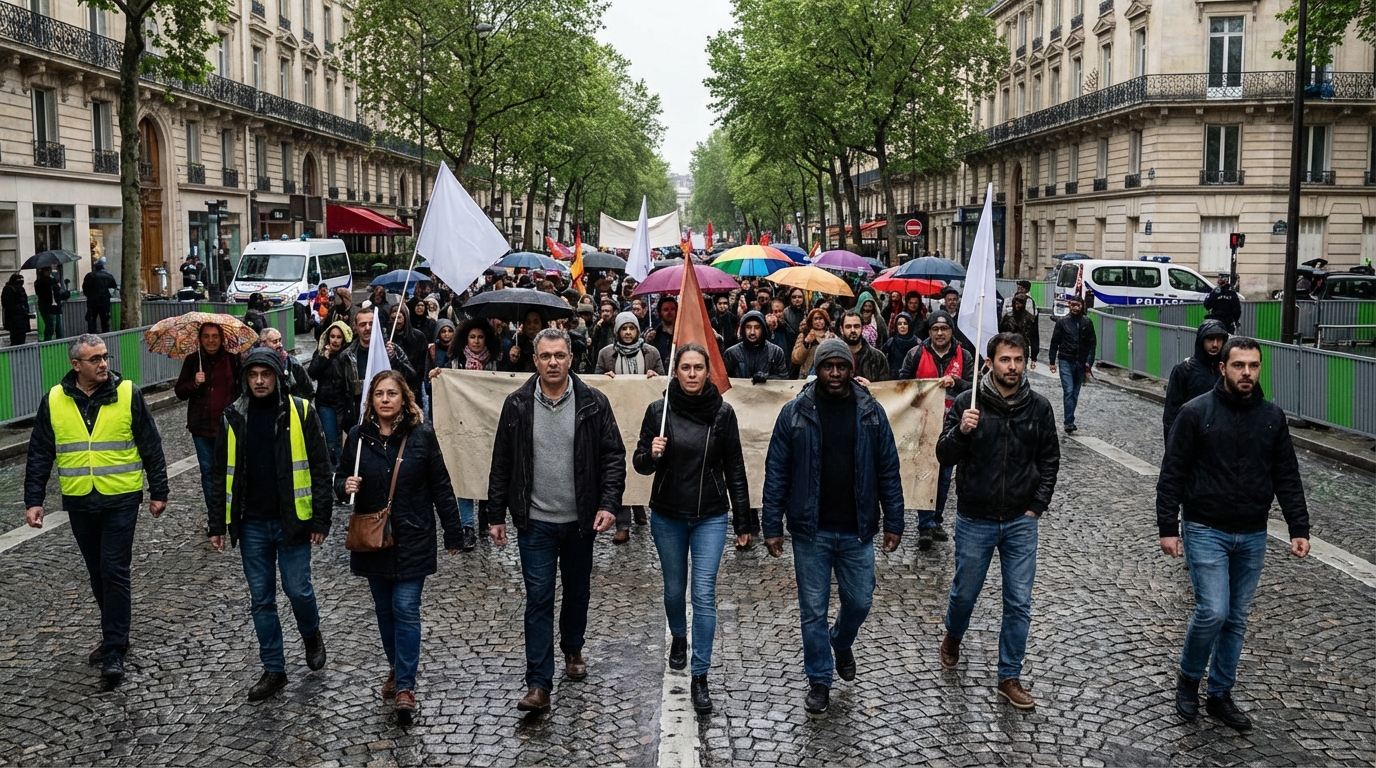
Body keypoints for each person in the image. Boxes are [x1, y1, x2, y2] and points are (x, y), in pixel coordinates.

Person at [1155, 337, 1309, 731]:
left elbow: (1286, 474)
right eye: (1238, 365)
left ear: (1260, 369)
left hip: (1253, 532)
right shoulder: (1195, 413)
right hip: (1206, 527)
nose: (1246, 373)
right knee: (1213, 611)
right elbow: (1173, 472)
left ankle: (1221, 693)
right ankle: (1189, 680)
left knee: (1236, 618)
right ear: (1222, 368)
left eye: (1253, 366)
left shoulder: (1272, 417)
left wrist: (1298, 526)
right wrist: (1168, 527)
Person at [761, 338, 904, 715]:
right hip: (811, 531)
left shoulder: (871, 412)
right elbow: (777, 471)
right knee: (812, 610)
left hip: (858, 529)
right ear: (818, 369)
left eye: (842, 366)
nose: (835, 374)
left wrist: (895, 520)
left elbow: (888, 468)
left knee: (860, 601)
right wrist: (771, 524)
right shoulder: (795, 413)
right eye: (828, 366)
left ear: (851, 369)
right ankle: (819, 681)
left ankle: (840, 641)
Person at [487, 328, 625, 714]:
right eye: (545, 356)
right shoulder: (516, 404)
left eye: (559, 356)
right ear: (535, 359)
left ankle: (573, 647)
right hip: (535, 521)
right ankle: (539, 683)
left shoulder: (593, 403)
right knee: (539, 598)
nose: (552, 362)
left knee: (577, 590)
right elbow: (502, 462)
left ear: (570, 358)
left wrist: (609, 503)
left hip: (581, 520)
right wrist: (495, 514)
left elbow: (613, 456)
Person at [24, 334, 168, 689]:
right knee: (96, 572)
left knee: (113, 571)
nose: (104, 364)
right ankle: (114, 632)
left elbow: (151, 443)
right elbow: (41, 451)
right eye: (95, 359)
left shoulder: (127, 393)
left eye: (105, 357)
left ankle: (114, 648)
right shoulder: (54, 400)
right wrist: (34, 499)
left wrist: (159, 490)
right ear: (76, 365)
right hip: (80, 500)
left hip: (121, 498)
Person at [936, 332, 1060, 710]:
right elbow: (943, 455)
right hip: (976, 518)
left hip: (1021, 520)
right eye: (1005, 359)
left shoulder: (1038, 407)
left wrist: (1037, 505)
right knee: (965, 593)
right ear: (989, 363)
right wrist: (961, 430)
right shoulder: (965, 403)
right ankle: (954, 635)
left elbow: (1050, 459)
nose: (1012, 367)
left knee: (1019, 601)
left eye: (1018, 360)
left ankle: (1009, 676)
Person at [632, 344, 754, 715]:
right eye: (685, 367)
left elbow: (735, 466)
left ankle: (700, 675)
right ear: (676, 371)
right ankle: (679, 638)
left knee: (703, 594)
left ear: (707, 372)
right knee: (673, 590)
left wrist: (744, 520)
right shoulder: (659, 410)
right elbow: (639, 465)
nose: (691, 374)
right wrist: (652, 453)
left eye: (698, 367)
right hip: (668, 514)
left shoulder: (722, 413)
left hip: (710, 516)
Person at [339, 370, 464, 724]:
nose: (385, 399)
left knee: (405, 607)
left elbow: (441, 485)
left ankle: (406, 686)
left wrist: (454, 531)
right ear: (371, 401)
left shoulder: (421, 436)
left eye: (392, 393)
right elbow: (338, 478)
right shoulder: (358, 438)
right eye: (379, 394)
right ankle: (396, 666)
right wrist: (343, 485)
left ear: (404, 398)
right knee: (384, 610)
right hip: (373, 539)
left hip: (413, 536)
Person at [209, 348, 333, 702]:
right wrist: (218, 523)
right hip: (251, 524)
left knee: (298, 590)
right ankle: (274, 669)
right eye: (253, 375)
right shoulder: (233, 416)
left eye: (266, 374)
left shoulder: (301, 411)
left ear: (279, 376)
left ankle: (311, 635)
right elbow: (221, 474)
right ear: (246, 379)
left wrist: (321, 518)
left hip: (292, 521)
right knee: (261, 600)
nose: (259, 380)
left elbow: (321, 468)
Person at [899, 310, 973, 549]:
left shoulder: (965, 356)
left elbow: (974, 389)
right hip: (923, 424)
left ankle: (936, 519)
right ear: (929, 332)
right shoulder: (916, 353)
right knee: (925, 474)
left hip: (952, 425)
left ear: (951, 331)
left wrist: (957, 382)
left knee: (943, 476)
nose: (940, 334)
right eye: (935, 329)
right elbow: (903, 385)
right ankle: (926, 524)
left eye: (944, 329)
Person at [175, 322, 242, 515]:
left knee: (230, 470)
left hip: (228, 425)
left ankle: (232, 510)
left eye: (215, 336)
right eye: (206, 336)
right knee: (208, 471)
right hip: (202, 427)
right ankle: (215, 515)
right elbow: (180, 391)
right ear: (200, 339)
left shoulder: (232, 359)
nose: (211, 340)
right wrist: (194, 383)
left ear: (221, 338)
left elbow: (241, 390)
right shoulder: (192, 361)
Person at [1162, 320, 1229, 444]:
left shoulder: (1228, 370)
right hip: (1192, 438)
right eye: (1210, 339)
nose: (1215, 344)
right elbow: (1171, 413)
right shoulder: (1183, 370)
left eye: (1219, 340)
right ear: (1201, 341)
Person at [308, 320, 359, 468]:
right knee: (331, 440)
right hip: (326, 403)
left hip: (345, 403)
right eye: (332, 336)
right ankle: (334, 470)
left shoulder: (348, 355)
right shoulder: (321, 352)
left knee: (345, 438)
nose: (335, 340)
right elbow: (312, 373)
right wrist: (324, 357)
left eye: (338, 337)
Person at [1048, 295, 1097, 434]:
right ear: (1070, 305)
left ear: (1082, 306)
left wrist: (1089, 362)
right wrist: (1052, 361)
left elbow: (1092, 343)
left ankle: (1069, 418)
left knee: (1074, 393)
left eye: (1078, 305)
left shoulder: (1087, 322)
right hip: (1065, 360)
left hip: (1081, 362)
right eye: (1073, 305)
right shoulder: (1062, 322)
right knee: (1069, 390)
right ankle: (1069, 421)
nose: (1075, 308)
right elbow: (1054, 341)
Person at [723, 310, 789, 381]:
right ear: (743, 329)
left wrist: (767, 378)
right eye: (748, 327)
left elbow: (783, 380)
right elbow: (724, 382)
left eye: (757, 327)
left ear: (763, 329)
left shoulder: (776, 352)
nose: (752, 332)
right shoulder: (731, 353)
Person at [596, 311, 664, 378]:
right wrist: (604, 378)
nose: (628, 332)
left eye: (632, 328)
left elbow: (663, 382)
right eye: (624, 328)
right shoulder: (605, 354)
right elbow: (596, 382)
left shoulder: (652, 353)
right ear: (617, 331)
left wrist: (656, 377)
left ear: (637, 330)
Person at [258, 327, 313, 399]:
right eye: (275, 342)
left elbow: (307, 390)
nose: (279, 345)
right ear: (263, 343)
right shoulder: (256, 364)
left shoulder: (293, 363)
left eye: (280, 340)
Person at [836, 311, 890, 382]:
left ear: (862, 328)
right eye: (848, 327)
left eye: (856, 326)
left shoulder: (878, 358)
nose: (853, 330)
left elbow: (885, 387)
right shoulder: (834, 356)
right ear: (841, 329)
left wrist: (870, 387)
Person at [791, 308, 836, 380]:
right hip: (806, 376)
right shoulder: (804, 335)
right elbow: (796, 359)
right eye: (815, 319)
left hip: (826, 375)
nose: (818, 321)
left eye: (821, 318)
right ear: (811, 321)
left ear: (825, 320)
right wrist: (806, 342)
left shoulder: (832, 337)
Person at [998, 294, 1041, 367]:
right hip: (1008, 348)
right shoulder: (1008, 318)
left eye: (1020, 303)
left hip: (1022, 350)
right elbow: (1001, 333)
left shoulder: (1029, 318)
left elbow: (1034, 336)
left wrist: (1034, 356)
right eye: (1016, 303)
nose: (1018, 305)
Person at [504, 309, 546, 374]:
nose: (532, 326)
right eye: (528, 322)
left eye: (536, 322)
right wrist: (512, 360)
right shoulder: (517, 344)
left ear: (542, 325)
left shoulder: (548, 345)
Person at [82, 258, 118, 333]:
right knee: (105, 321)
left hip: (92, 301)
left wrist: (89, 296)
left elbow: (84, 288)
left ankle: (92, 337)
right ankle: (106, 336)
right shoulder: (108, 276)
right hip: (104, 301)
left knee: (92, 321)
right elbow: (113, 286)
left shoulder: (90, 276)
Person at [35, 266, 69, 341]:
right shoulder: (40, 282)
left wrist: (61, 289)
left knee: (59, 326)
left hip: (55, 307)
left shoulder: (53, 281)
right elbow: (43, 293)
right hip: (47, 307)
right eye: (47, 270)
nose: (49, 272)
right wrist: (55, 286)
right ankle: (47, 341)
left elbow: (58, 295)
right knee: (50, 325)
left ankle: (59, 340)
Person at [645, 296, 677, 363]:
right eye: (666, 310)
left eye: (672, 309)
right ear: (660, 312)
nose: (669, 312)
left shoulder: (683, 332)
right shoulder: (655, 335)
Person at [2, 272, 30, 346]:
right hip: (15, 317)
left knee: (19, 338)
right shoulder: (10, 289)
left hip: (19, 317)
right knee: (17, 338)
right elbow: (7, 304)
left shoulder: (18, 289)